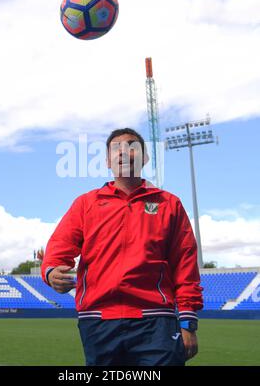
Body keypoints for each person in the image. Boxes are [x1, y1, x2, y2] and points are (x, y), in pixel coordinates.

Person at [41, 127, 203, 366]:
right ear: (107, 161)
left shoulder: (169, 204)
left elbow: (185, 264)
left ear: (144, 158)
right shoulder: (86, 204)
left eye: (132, 147)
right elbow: (58, 248)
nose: (123, 153)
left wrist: (188, 321)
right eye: (116, 149)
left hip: (156, 321)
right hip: (98, 322)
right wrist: (52, 272)